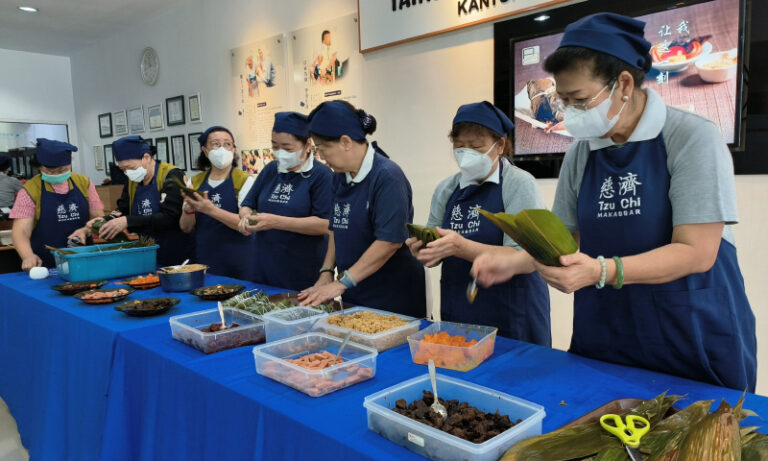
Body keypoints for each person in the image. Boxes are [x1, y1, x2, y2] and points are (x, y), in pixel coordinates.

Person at [472, 13, 756, 391]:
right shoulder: (582, 153)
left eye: (579, 100)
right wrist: (511, 262)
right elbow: (565, 240)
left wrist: (601, 271)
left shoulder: (690, 136)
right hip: (609, 332)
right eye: (563, 100)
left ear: (623, 84)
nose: (569, 112)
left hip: (689, 332)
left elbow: (697, 252)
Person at [407, 102, 550, 344]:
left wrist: (460, 247)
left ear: (500, 145)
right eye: (460, 146)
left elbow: (526, 256)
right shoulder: (446, 189)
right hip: (460, 308)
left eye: (475, 146)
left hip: (512, 311)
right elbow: (435, 244)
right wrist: (425, 251)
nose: (467, 153)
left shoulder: (518, 184)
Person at [299, 101, 426, 318]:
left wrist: (342, 283)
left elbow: (389, 242)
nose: (321, 156)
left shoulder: (387, 176)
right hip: (356, 289)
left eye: (322, 148)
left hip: (392, 294)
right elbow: (337, 227)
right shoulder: (340, 176)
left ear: (346, 142)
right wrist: (327, 272)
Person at [238, 112, 333, 290]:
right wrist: (246, 218)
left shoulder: (322, 176)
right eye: (275, 146)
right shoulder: (271, 170)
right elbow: (247, 205)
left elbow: (326, 224)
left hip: (301, 271)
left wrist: (275, 222)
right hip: (263, 267)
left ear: (307, 145)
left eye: (287, 148)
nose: (280, 153)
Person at [98, 135, 193, 267]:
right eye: (123, 170)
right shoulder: (133, 181)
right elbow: (123, 209)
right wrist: (103, 221)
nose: (127, 173)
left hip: (175, 254)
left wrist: (128, 221)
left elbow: (169, 217)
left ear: (147, 157)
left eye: (130, 168)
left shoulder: (171, 175)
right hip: (146, 254)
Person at [10, 139, 104, 269]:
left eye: (62, 170)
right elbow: (21, 231)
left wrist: (86, 230)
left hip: (84, 258)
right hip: (46, 263)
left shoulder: (84, 183)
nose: (56, 174)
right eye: (50, 171)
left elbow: (98, 218)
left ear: (70, 162)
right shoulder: (30, 190)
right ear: (40, 166)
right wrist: (28, 256)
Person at [180, 126, 255, 279]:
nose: (222, 149)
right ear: (205, 150)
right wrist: (189, 209)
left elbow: (249, 225)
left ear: (234, 149)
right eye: (215, 144)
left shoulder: (244, 180)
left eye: (227, 144)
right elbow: (186, 228)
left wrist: (210, 210)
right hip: (205, 257)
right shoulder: (195, 182)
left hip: (239, 259)